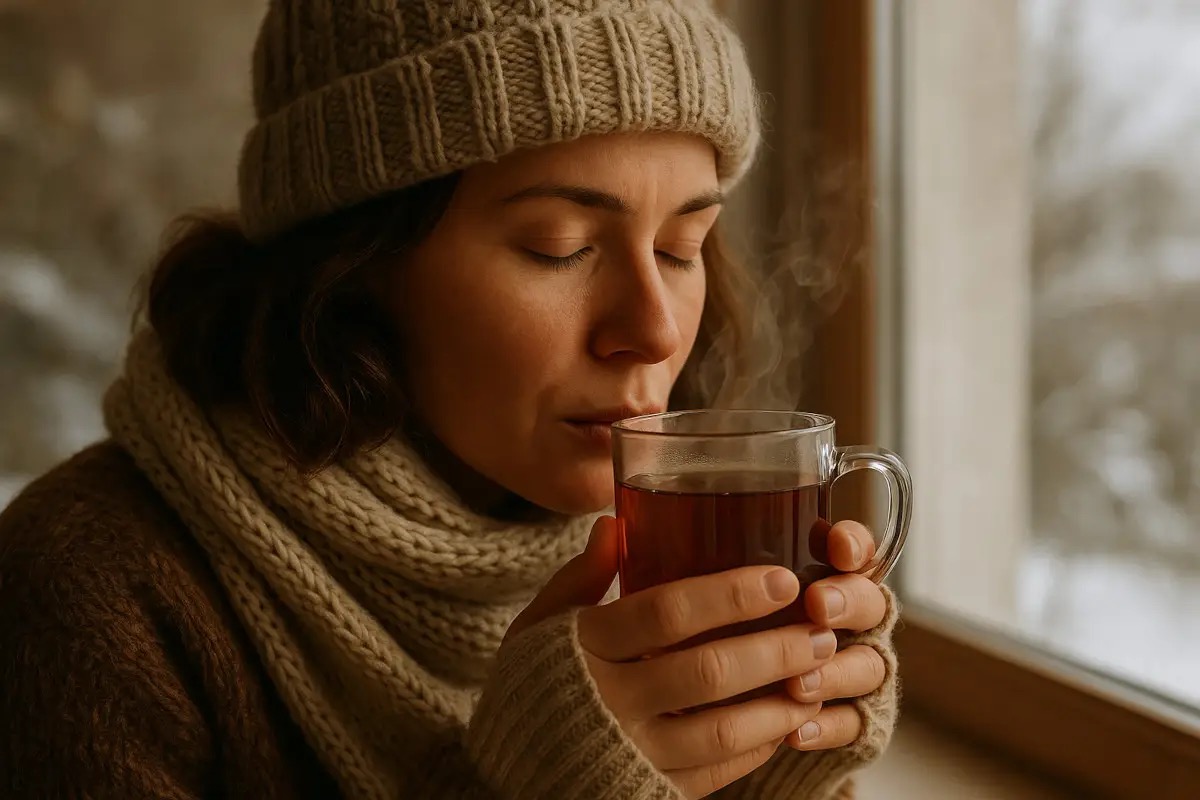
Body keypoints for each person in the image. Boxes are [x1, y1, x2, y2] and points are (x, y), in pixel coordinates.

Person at [0, 1, 898, 798]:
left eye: (681, 247)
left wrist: (761, 771)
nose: (657, 330)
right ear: (353, 267)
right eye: (558, 246)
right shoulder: (84, 596)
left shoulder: (671, 556)